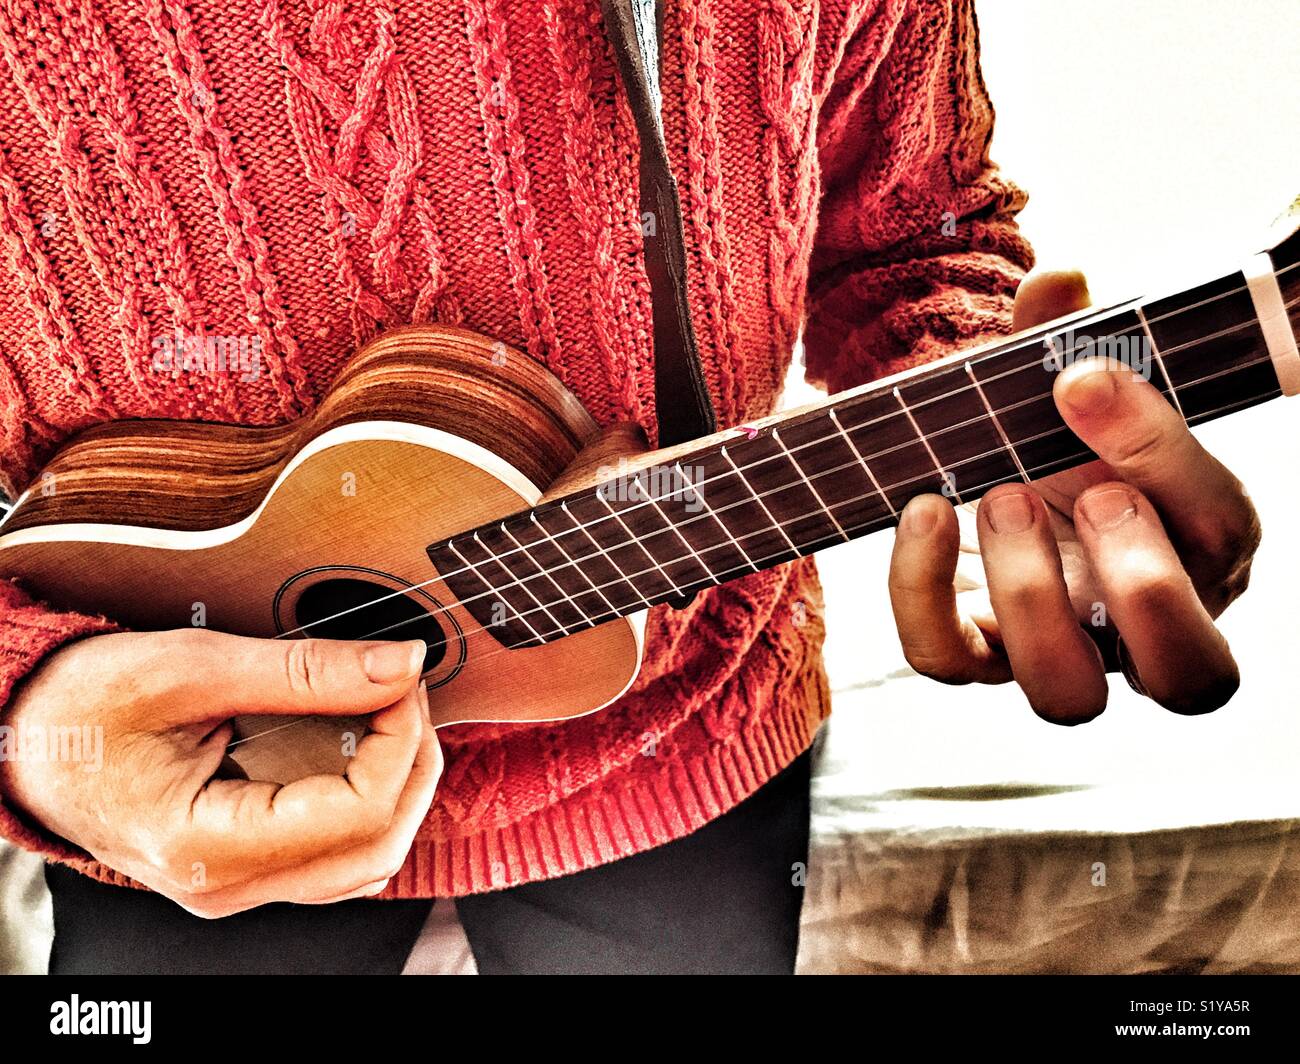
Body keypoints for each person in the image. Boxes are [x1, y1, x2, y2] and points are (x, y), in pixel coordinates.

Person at [0, 0, 1258, 974]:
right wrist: (26, 712)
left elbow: (916, 230)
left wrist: (985, 432)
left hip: (691, 738)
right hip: (162, 794)